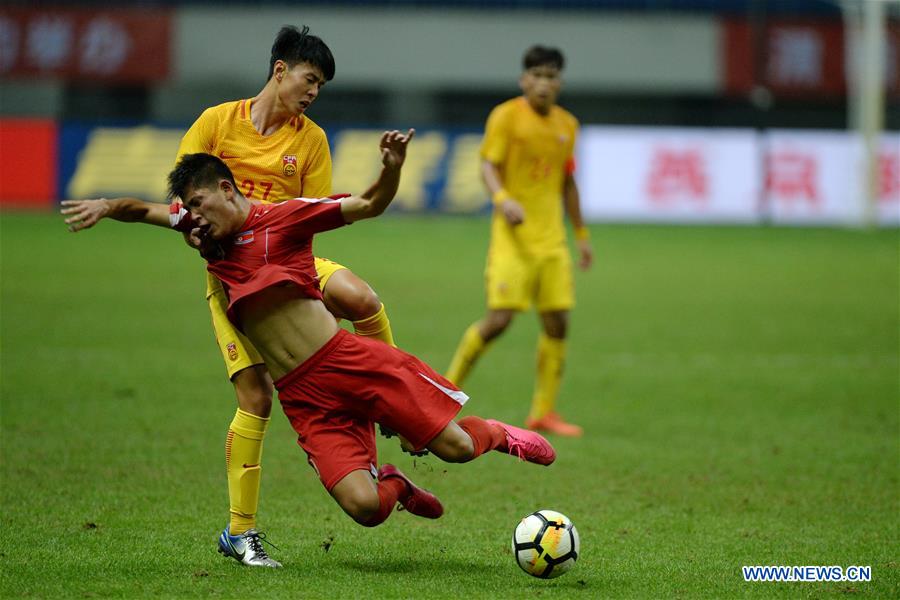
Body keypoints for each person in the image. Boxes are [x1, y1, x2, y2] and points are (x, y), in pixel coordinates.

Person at [60, 25, 405, 568]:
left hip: (291, 259)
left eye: (320, 86)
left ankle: (390, 403)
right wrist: (189, 231)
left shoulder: (310, 140)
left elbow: (313, 216)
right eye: (309, 80)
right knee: (257, 399)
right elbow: (180, 201)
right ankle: (239, 533)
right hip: (232, 280)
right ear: (279, 71)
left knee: (362, 298)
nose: (313, 93)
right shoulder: (216, 124)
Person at [167, 130, 556, 540]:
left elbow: (369, 203)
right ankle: (398, 484)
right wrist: (110, 207)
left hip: (349, 362)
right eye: (188, 210)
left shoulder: (280, 218)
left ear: (226, 190)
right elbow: (148, 212)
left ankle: (498, 435)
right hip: (304, 397)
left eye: (198, 205)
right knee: (366, 508)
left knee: (455, 449)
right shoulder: (211, 243)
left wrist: (392, 169)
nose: (194, 217)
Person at [444, 45, 593, 437]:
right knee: (499, 321)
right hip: (513, 240)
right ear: (523, 79)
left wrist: (581, 235)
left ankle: (543, 411)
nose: (544, 84)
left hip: (553, 242)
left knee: (559, 323)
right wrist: (502, 198)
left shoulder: (567, 125)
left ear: (560, 82)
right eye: (537, 76)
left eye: (551, 77)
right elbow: (488, 165)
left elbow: (568, 181)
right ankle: (443, 393)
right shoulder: (506, 116)